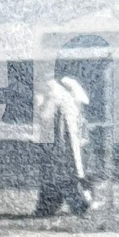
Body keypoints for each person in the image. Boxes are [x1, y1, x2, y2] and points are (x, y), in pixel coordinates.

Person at [34, 73, 94, 216]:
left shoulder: (56, 97)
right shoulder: (61, 96)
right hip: (64, 143)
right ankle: (50, 207)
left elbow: (46, 117)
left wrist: (42, 103)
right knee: (57, 176)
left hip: (62, 144)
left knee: (63, 176)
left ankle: (76, 206)